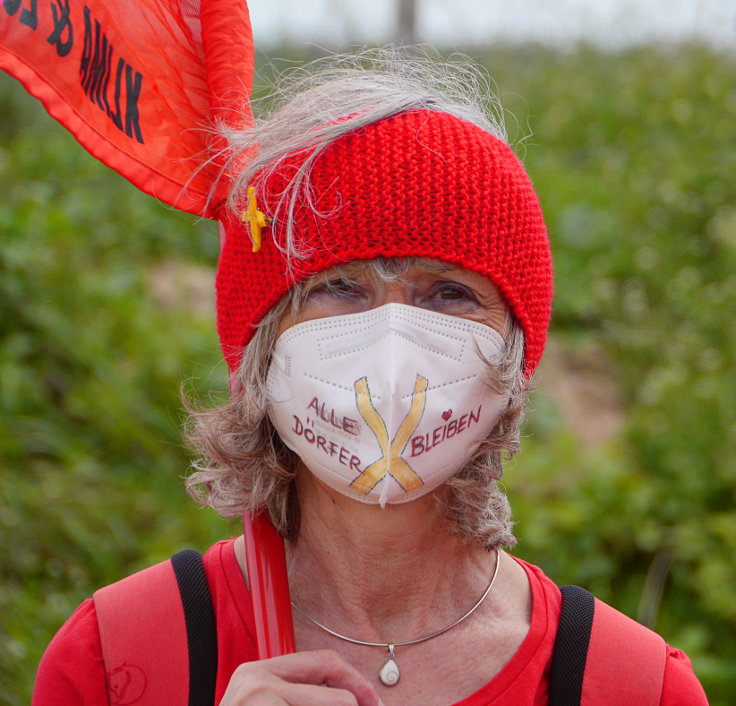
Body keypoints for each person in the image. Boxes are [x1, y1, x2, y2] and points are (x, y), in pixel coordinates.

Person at [32, 53, 708, 706]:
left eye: (447, 293)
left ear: (512, 354)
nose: (392, 346)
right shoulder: (118, 662)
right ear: (260, 349)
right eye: (338, 287)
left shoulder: (630, 685)